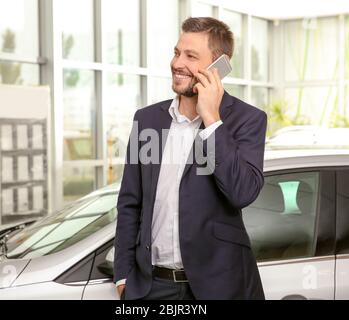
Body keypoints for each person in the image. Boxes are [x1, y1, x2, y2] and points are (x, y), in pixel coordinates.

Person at [114, 17, 267, 300]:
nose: (176, 63)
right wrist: (123, 276)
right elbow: (129, 202)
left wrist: (212, 120)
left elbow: (242, 192)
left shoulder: (247, 120)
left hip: (220, 287)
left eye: (190, 56)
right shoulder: (146, 120)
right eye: (176, 52)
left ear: (218, 67)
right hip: (152, 287)